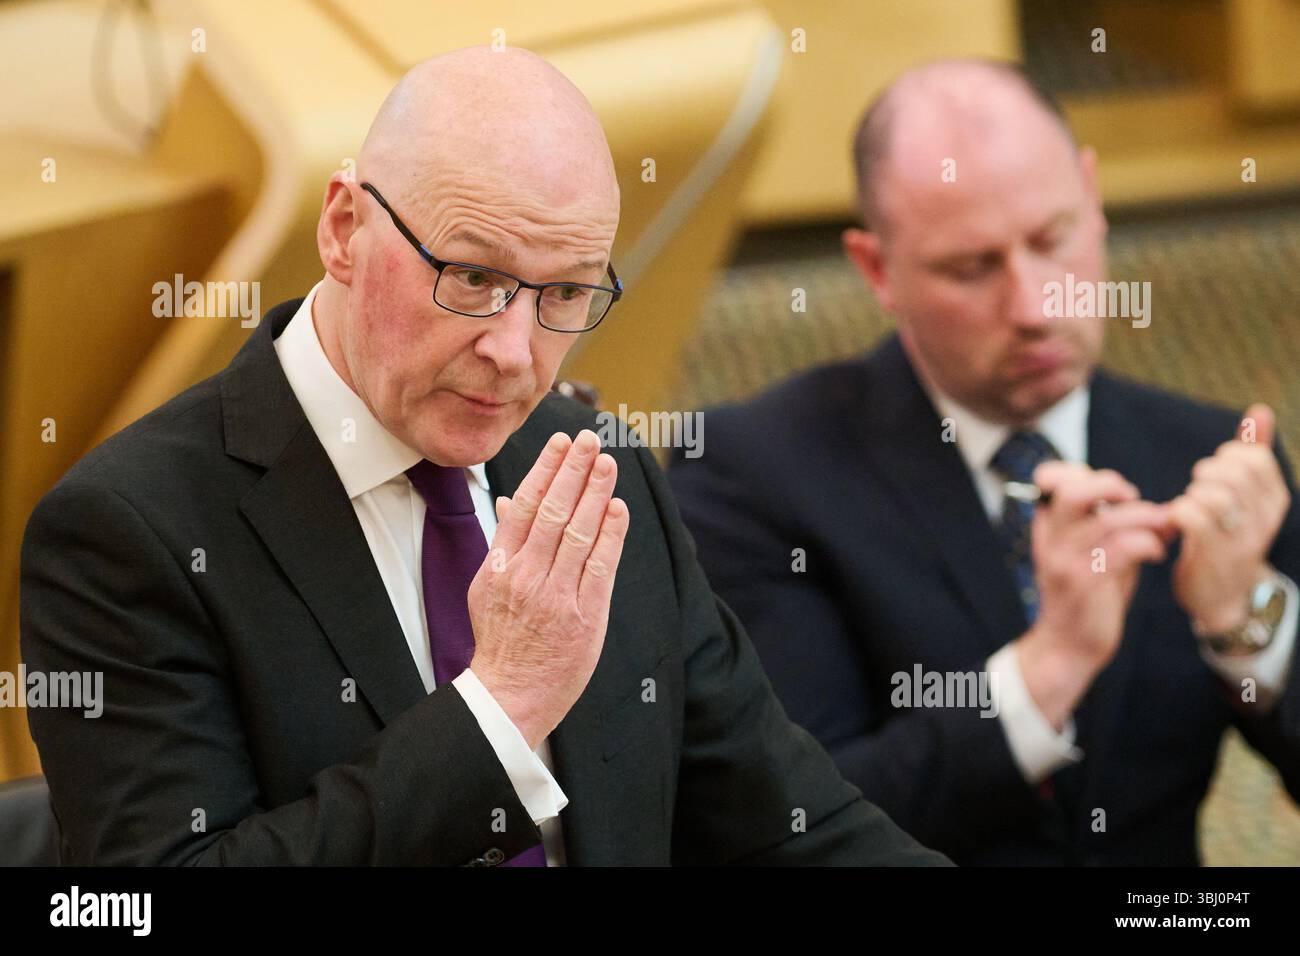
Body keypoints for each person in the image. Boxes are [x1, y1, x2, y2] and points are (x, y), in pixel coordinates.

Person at [19, 47, 947, 867]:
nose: (514, 351)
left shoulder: (598, 476)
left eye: (568, 294)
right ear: (344, 229)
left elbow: (792, 825)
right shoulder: (129, 529)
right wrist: (499, 710)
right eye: (472, 277)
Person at [668, 59, 1300, 865]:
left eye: (1052, 239)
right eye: (971, 268)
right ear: (877, 270)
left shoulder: (1208, 456)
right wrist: (1046, 671)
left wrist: (1247, 626)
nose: (1035, 308)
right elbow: (779, 831)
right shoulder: (747, 475)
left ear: (1094, 200)